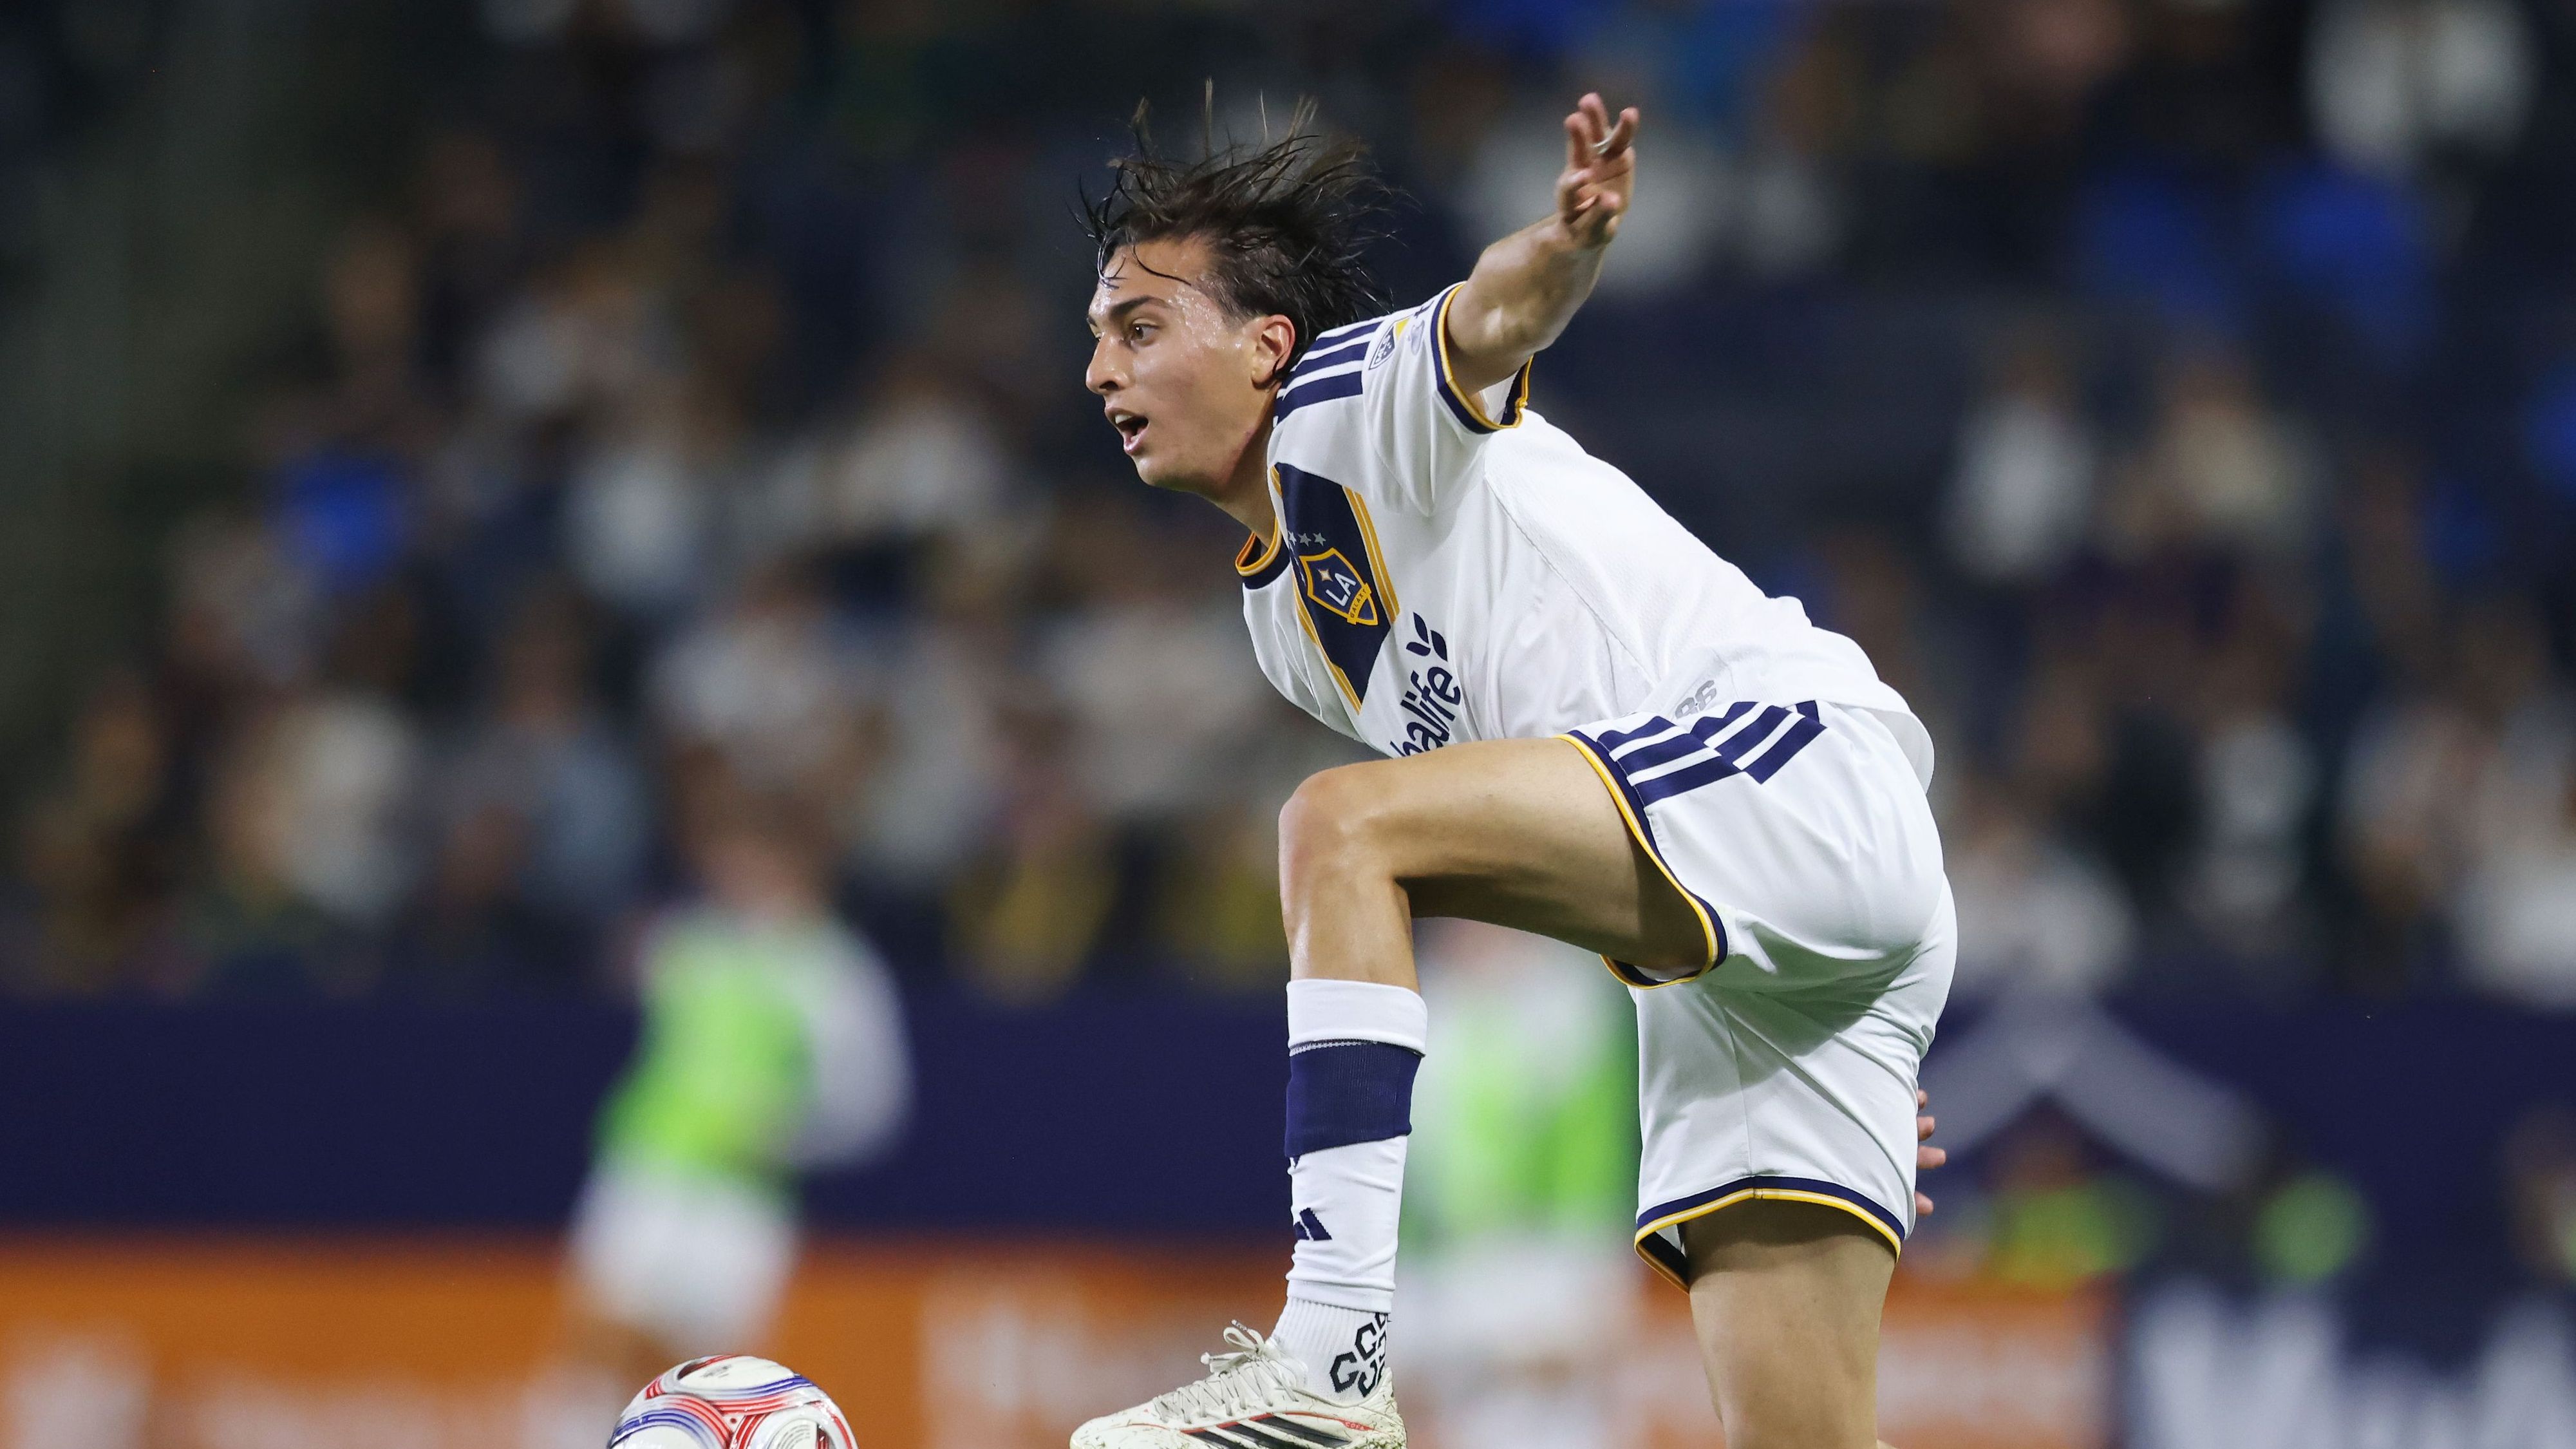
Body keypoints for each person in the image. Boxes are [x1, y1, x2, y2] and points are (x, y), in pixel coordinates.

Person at [1069, 94, 1953, 1449]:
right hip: (1738, 951)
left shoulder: (1343, 404)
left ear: (1263, 346)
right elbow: (1552, 843)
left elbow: (1488, 320)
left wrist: (1565, 241)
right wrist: (1813, 972)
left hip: (1787, 756)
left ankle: (1330, 1353)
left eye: (1138, 329)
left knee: (1335, 827)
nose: (1099, 374)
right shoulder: (1285, 631)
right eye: (1095, 340)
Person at [533, 779, 910, 1447]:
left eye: (755, 854)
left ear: (798, 861)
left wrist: (786, 1134)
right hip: (649, 1173)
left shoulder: (836, 971)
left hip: (744, 1201)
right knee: (594, 1354)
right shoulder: (683, 941)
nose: (736, 871)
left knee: (705, 1386)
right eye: (726, 854)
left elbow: (872, 1106)